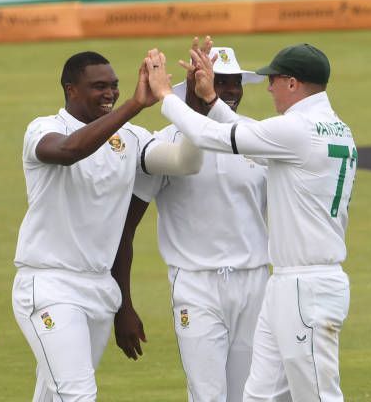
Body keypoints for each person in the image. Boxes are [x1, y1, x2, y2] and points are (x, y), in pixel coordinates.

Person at [146, 40, 357, 401]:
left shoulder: (296, 129)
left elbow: (210, 136)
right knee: (258, 395)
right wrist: (211, 100)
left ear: (292, 83)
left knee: (318, 395)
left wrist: (166, 96)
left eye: (273, 80)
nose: (269, 88)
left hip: (306, 286)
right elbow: (246, 136)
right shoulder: (332, 128)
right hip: (288, 284)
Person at [12, 51, 203, 402]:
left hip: (100, 288)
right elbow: (69, 151)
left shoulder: (130, 137)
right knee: (77, 394)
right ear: (71, 90)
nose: (109, 93)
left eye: (114, 86)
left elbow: (185, 161)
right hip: (49, 284)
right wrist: (132, 105)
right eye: (98, 87)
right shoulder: (44, 128)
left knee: (55, 393)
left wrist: (196, 103)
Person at [113, 40, 269, 402]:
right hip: (197, 286)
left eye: (233, 82)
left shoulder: (253, 136)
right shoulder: (165, 144)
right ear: (193, 82)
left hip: (255, 282)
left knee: (251, 395)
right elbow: (126, 229)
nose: (228, 90)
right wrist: (124, 305)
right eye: (217, 79)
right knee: (207, 395)